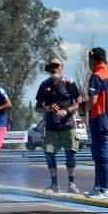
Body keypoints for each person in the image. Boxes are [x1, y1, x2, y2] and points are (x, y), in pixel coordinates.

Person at [34, 56, 82, 193]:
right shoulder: (44, 85)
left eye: (57, 66)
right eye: (52, 67)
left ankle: (71, 184)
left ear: (61, 68)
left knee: (70, 153)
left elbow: (78, 101)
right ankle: (54, 184)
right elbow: (37, 107)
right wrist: (47, 108)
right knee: (49, 153)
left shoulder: (69, 83)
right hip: (50, 126)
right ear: (49, 69)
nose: (54, 69)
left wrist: (66, 110)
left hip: (68, 124)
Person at [81, 47, 108, 200]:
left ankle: (105, 189)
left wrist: (83, 110)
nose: (89, 63)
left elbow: (93, 100)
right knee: (98, 155)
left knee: (101, 156)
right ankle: (98, 187)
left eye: (90, 60)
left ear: (94, 60)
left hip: (99, 120)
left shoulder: (96, 76)